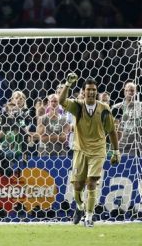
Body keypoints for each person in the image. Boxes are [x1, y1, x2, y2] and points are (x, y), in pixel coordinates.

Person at [59, 74, 119, 227]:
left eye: (94, 89)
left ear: (97, 92)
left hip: (98, 150)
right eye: (88, 89)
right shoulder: (78, 106)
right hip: (80, 150)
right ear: (83, 92)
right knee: (78, 186)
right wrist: (67, 84)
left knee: (92, 182)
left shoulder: (104, 109)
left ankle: (89, 217)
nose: (91, 92)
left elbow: (112, 131)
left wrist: (116, 151)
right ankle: (79, 207)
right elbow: (61, 101)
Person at [112, 81, 141, 155]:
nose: (129, 92)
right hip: (122, 149)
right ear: (124, 92)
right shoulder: (117, 107)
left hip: (138, 148)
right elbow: (113, 130)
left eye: (132, 90)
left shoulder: (140, 106)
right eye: (127, 90)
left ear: (136, 92)